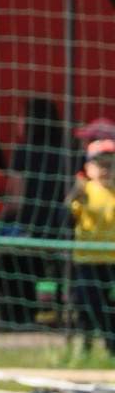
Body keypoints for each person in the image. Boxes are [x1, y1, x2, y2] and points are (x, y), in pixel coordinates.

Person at [68, 137, 115, 353]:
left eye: (111, 164)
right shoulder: (84, 191)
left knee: (109, 308)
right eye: (100, 164)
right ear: (88, 167)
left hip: (112, 262)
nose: (106, 169)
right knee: (88, 306)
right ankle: (85, 348)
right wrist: (72, 197)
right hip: (87, 261)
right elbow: (66, 218)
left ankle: (110, 347)